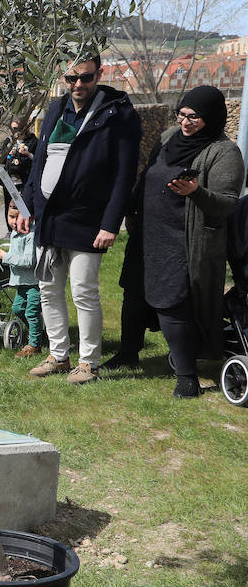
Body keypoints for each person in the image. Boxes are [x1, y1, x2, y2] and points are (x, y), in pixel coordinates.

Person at [114, 86, 245, 397]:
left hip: (184, 241)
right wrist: (130, 209)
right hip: (147, 233)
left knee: (171, 303)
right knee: (134, 294)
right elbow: (148, 176)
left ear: (212, 118)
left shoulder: (224, 152)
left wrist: (195, 192)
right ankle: (127, 355)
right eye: (182, 115)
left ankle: (187, 377)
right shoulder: (169, 137)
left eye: (194, 118)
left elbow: (227, 203)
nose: (186, 123)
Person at [19, 54, 141, 384]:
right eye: (71, 78)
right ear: (62, 76)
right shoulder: (56, 109)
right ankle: (58, 356)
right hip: (50, 217)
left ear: (99, 74)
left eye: (85, 78)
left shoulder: (119, 114)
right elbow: (39, 164)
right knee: (48, 289)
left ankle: (89, 362)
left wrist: (110, 223)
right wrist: (26, 206)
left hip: (89, 218)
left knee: (83, 290)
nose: (78, 85)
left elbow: (124, 174)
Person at [0, 203, 42, 357]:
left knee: (31, 312)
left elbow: (29, 261)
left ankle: (35, 345)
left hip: (34, 283)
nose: (14, 222)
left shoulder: (30, 234)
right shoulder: (15, 234)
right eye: (11, 217)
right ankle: (37, 330)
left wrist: (6, 257)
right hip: (21, 282)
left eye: (17, 217)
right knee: (17, 309)